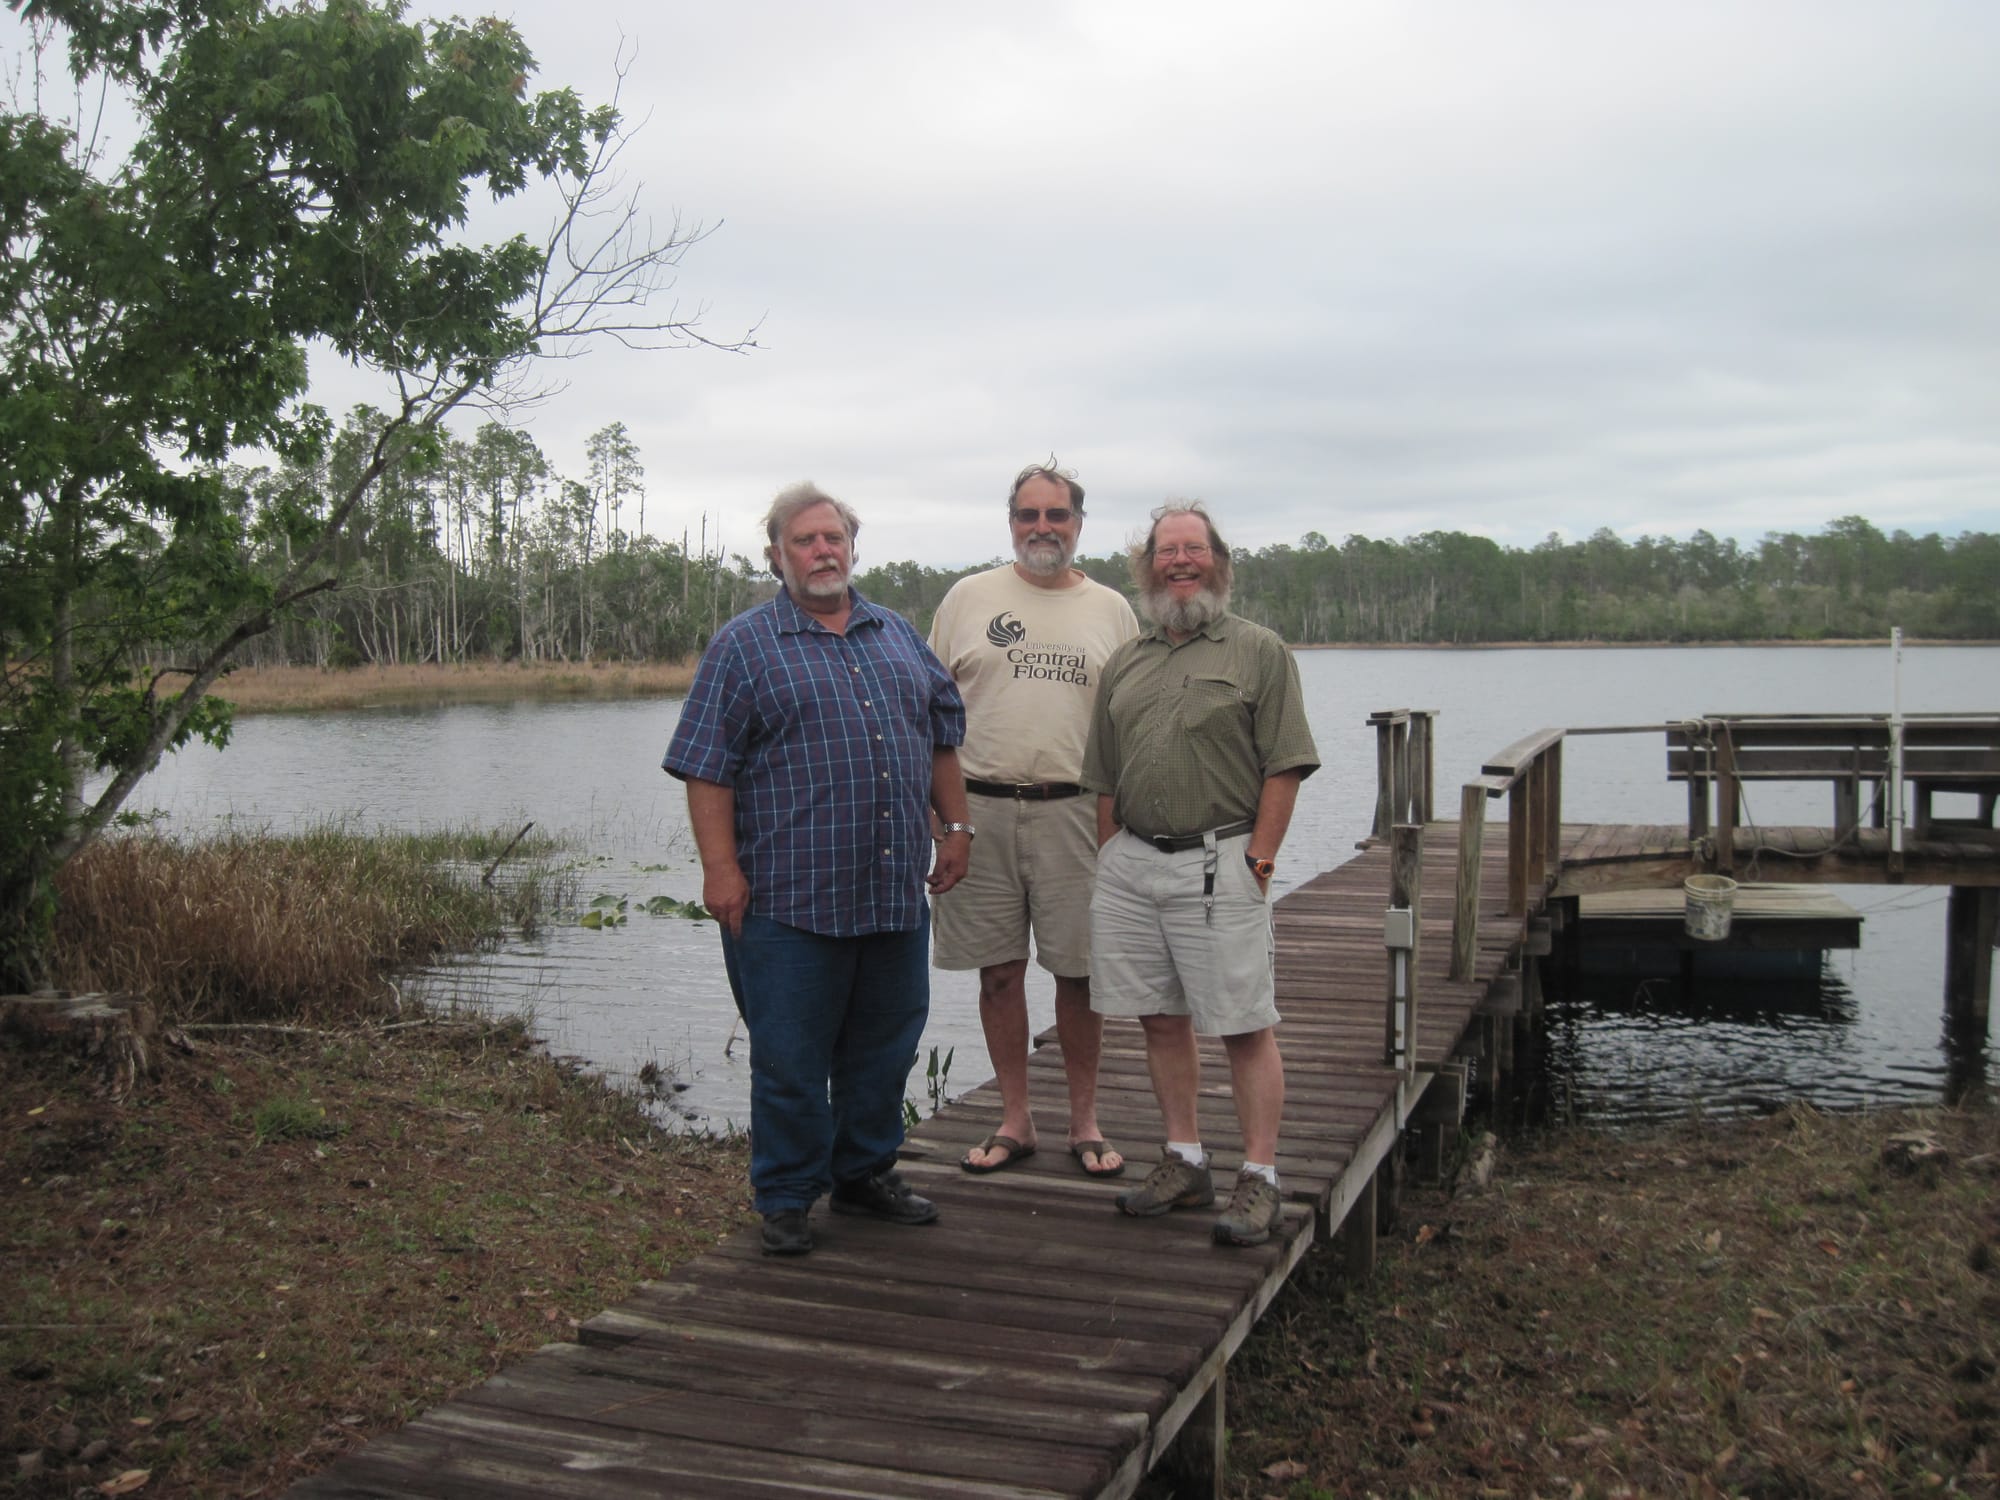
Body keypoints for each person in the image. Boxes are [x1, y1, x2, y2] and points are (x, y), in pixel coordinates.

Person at [663, 481, 973, 1257]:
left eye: (832, 537)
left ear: (852, 546)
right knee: (791, 1055)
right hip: (787, 903)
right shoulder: (744, 645)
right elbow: (708, 769)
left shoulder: (896, 634)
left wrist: (957, 825)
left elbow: (941, 735)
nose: (822, 551)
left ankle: (865, 1173)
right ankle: (789, 1194)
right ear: (776, 555)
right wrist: (719, 868)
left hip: (891, 893)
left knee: (886, 1045)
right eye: (804, 541)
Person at [1080, 500, 1320, 1247]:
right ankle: (1185, 1160)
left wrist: (1261, 861)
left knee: (1244, 1024)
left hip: (1222, 861)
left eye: (1194, 549)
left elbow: (1285, 766)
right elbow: (1106, 778)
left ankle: (1261, 1178)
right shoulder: (1127, 659)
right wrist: (1114, 856)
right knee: (1158, 1017)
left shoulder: (1258, 651)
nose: (1180, 562)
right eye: (1165, 551)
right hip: (1133, 864)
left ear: (1219, 562)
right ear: (1147, 566)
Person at [928, 461, 1140, 1179]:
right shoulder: (967, 598)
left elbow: (1127, 727)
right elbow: (931, 715)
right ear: (1010, 522)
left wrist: (1116, 830)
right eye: (1029, 515)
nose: (1042, 528)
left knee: (1080, 977)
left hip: (1076, 812)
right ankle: (1015, 1119)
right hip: (979, 811)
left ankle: (1085, 1121)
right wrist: (943, 819)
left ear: (1079, 523)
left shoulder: (1112, 610)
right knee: (997, 974)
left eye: (1057, 515)